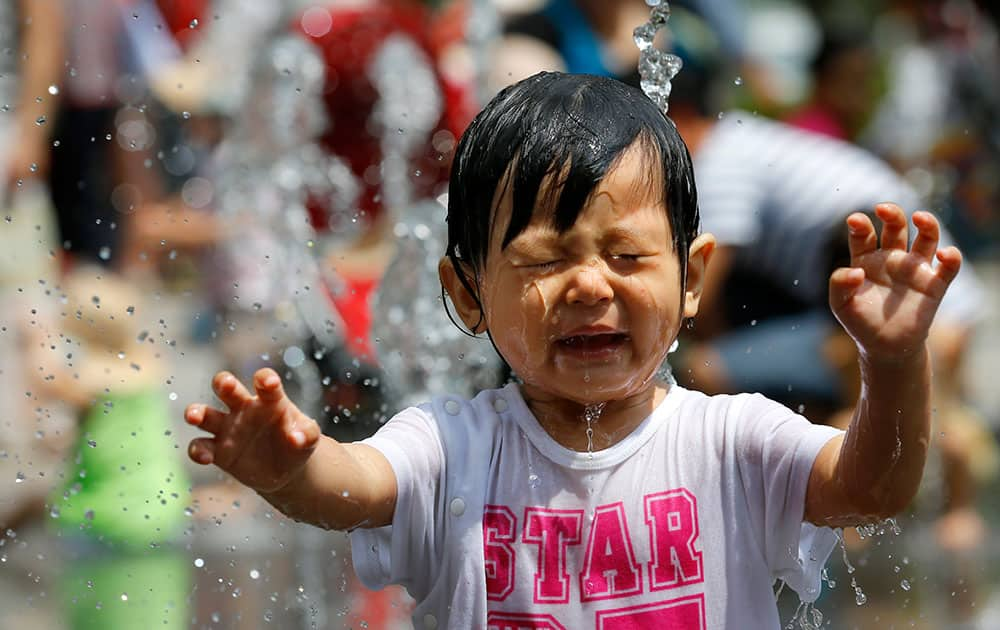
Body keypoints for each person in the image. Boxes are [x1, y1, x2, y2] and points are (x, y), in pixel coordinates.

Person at [184, 72, 963, 628]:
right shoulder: (453, 444)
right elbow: (353, 483)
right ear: (465, 293)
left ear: (691, 277)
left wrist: (892, 362)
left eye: (627, 257)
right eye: (543, 260)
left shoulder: (732, 441)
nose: (590, 286)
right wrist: (291, 468)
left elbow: (872, 488)